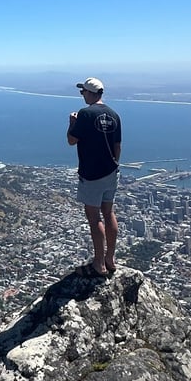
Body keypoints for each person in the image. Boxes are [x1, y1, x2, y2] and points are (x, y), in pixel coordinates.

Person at [66, 76, 122, 278]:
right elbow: (117, 146)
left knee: (94, 217)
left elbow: (72, 140)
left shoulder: (85, 114)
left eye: (83, 92)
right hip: (111, 171)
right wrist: (114, 166)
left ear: (91, 93)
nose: (82, 95)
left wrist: (72, 123)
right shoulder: (114, 115)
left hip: (91, 174)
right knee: (109, 213)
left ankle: (99, 263)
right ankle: (110, 259)